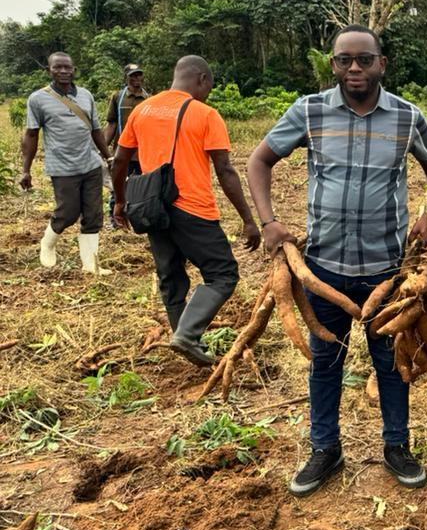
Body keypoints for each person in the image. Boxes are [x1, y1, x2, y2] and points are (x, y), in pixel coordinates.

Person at [247, 24, 427, 496]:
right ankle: (325, 449)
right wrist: (269, 221)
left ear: (382, 63)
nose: (353, 68)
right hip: (324, 270)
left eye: (363, 60)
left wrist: (426, 213)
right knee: (325, 362)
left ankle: (397, 446)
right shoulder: (309, 111)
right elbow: (259, 161)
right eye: (343, 61)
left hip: (387, 269)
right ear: (332, 65)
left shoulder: (407, 117)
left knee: (393, 362)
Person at [112, 56, 260, 366]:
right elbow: (225, 170)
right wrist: (248, 219)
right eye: (209, 86)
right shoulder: (205, 114)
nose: (208, 92)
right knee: (222, 274)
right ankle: (188, 335)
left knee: (171, 277)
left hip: (150, 207)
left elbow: (120, 159)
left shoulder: (143, 109)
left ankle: (187, 341)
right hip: (192, 208)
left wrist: (121, 202)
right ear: (202, 79)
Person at [21, 52, 113, 274]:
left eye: (67, 68)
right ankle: (48, 242)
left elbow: (96, 130)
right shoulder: (37, 99)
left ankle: (91, 266)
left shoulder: (86, 96)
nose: (63, 72)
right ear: (49, 70)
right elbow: (31, 135)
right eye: (57, 68)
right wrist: (25, 170)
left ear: (74, 70)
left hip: (90, 164)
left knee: (93, 216)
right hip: (62, 167)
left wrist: (108, 157)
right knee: (68, 212)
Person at [104, 64, 150, 228]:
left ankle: (138, 219)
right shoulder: (118, 97)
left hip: (143, 152)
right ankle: (114, 220)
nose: (137, 79)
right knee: (119, 185)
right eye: (133, 76)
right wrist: (103, 147)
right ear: (127, 77)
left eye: (139, 75)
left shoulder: (148, 98)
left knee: (142, 187)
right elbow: (112, 124)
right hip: (123, 152)